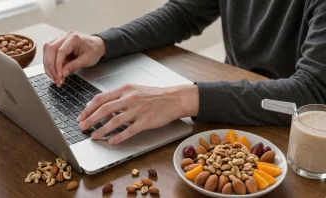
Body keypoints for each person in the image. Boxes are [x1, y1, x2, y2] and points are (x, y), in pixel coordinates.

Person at [43, 0, 326, 145]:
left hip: (298, 133)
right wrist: (102, 43)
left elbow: (310, 93)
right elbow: (183, 14)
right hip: (232, 102)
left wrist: (182, 99)